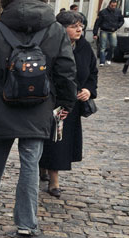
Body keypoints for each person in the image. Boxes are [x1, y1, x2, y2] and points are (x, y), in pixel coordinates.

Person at [0, 0, 77, 237]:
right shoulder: (55, 29)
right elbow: (66, 69)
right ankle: (26, 222)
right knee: (30, 163)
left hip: (3, 100)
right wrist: (66, 103)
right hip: (40, 103)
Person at [40, 11, 98, 199]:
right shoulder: (51, 46)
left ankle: (46, 169)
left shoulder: (84, 47)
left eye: (80, 25)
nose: (79, 29)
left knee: (62, 142)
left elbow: (92, 73)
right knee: (54, 141)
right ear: (62, 28)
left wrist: (88, 90)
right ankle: (52, 180)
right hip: (53, 101)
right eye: (74, 26)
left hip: (73, 104)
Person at [93, 0, 123, 66]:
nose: (113, 7)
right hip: (104, 30)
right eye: (112, 5)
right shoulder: (103, 12)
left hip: (113, 30)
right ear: (109, 4)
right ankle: (102, 61)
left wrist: (117, 26)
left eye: (115, 6)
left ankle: (109, 58)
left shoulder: (118, 11)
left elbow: (121, 20)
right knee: (103, 46)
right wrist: (95, 33)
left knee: (114, 45)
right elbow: (97, 23)